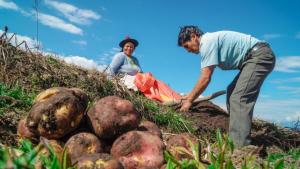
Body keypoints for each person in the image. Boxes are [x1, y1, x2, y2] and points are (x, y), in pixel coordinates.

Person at [177, 26, 276, 148]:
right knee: (232, 91)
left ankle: (240, 148)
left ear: (193, 36)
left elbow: (205, 78)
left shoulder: (207, 42)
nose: (188, 51)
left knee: (239, 97)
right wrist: (191, 95)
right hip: (253, 58)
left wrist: (189, 100)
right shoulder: (209, 41)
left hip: (259, 56)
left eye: (187, 46)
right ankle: (237, 134)